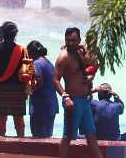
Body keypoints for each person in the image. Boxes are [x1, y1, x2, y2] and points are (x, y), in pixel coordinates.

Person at [55, 27, 103, 158]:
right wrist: (65, 97)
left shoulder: (81, 53)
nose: (70, 43)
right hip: (73, 101)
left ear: (79, 41)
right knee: (68, 136)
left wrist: (91, 77)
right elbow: (55, 80)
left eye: (73, 40)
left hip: (85, 100)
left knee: (91, 135)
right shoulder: (63, 57)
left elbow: (95, 63)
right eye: (68, 40)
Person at [27, 40, 58, 138]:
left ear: (32, 52)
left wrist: (28, 89)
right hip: (51, 105)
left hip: (40, 107)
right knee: (48, 137)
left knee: (38, 138)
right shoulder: (48, 63)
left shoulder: (36, 64)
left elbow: (38, 81)